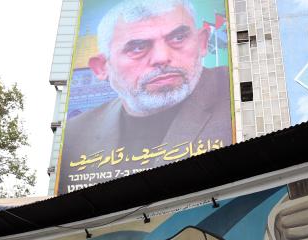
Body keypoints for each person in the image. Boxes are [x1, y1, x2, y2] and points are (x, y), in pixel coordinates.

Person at [59, 0, 232, 189]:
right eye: (137, 48)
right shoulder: (74, 137)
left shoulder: (236, 97)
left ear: (202, 43)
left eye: (178, 38)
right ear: (102, 67)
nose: (161, 58)